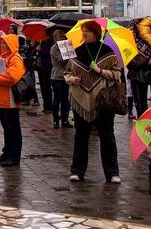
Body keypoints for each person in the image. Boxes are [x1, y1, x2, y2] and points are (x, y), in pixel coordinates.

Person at [64, 20, 121, 184]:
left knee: (107, 135)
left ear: (95, 33)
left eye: (86, 32)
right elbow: (66, 72)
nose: (84, 34)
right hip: (80, 99)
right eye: (82, 32)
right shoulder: (76, 52)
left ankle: (112, 172)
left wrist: (100, 71)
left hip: (103, 101)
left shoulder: (107, 52)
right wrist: (71, 79)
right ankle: (77, 171)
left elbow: (117, 74)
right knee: (81, 136)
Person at [0, 33, 26, 167]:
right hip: (2, 98)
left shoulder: (15, 58)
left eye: (5, 43)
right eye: (2, 43)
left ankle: (14, 156)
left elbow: (12, 78)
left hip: (11, 99)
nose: (3, 45)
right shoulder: (2, 57)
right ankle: (7, 152)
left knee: (13, 128)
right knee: (7, 128)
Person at [49, 29, 72, 129]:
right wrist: (70, 56)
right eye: (59, 37)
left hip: (66, 76)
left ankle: (65, 119)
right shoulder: (54, 48)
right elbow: (62, 60)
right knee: (57, 99)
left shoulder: (67, 45)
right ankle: (55, 120)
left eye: (62, 36)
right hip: (57, 77)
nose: (62, 38)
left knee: (66, 99)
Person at [36, 37, 53, 114]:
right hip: (40, 67)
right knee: (43, 87)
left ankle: (49, 106)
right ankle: (45, 106)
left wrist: (40, 50)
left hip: (48, 68)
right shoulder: (41, 42)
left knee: (47, 87)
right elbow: (35, 53)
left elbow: (48, 52)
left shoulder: (50, 43)